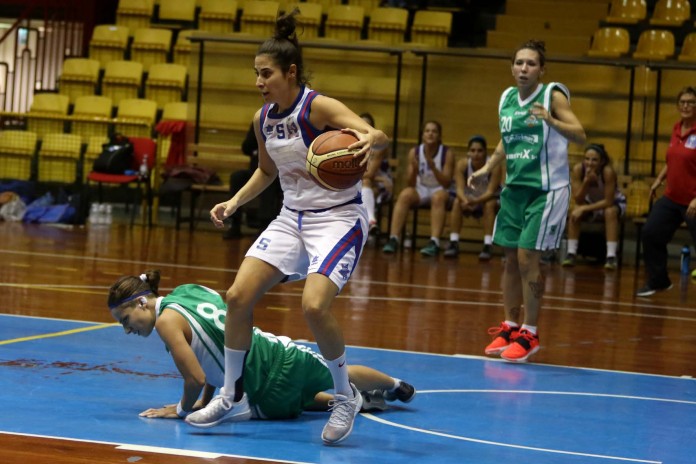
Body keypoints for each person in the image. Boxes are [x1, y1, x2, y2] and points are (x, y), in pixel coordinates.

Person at [185, 10, 390, 446]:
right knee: (237, 297)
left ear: (290, 72)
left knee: (314, 306)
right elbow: (265, 170)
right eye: (256, 74)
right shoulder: (262, 119)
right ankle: (231, 392)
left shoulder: (317, 106)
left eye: (266, 74)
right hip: (291, 218)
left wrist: (371, 138)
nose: (259, 82)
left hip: (337, 219)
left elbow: (375, 133)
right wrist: (234, 202)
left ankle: (344, 395)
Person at [107, 271, 416, 421]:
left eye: (125, 319)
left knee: (298, 401)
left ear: (141, 302)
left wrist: (182, 409)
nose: (126, 328)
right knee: (337, 372)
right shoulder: (189, 290)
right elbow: (217, 346)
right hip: (278, 353)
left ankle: (358, 402)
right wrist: (207, 399)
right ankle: (395, 384)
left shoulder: (165, 323)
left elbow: (196, 377)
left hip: (260, 391)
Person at [469, 39, 586, 362]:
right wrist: (487, 168)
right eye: (519, 63)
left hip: (546, 191)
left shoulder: (552, 95)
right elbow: (507, 141)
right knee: (508, 259)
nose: (524, 68)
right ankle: (510, 326)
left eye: (531, 63)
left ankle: (530, 332)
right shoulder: (506, 98)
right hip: (514, 188)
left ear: (542, 69)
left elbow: (580, 134)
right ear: (512, 67)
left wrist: (551, 120)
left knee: (526, 259)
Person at [636, 86, 696, 297]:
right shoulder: (676, 129)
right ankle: (659, 280)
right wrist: (659, 180)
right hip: (672, 197)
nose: (686, 105)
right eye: (682, 102)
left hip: (693, 200)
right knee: (651, 233)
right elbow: (673, 160)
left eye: (690, 102)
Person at [381, 120, 454, 256]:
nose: (430, 134)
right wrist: (414, 170)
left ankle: (434, 242)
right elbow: (410, 183)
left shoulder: (446, 153)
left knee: (438, 198)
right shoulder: (414, 152)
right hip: (421, 189)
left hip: (439, 189)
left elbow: (447, 183)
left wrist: (433, 167)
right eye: (427, 131)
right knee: (405, 195)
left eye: (434, 131)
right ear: (422, 135)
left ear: (439, 136)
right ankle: (393, 239)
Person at [561, 143, 626, 270]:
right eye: (587, 159)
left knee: (609, 212)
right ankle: (571, 254)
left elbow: (608, 201)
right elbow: (578, 198)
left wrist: (584, 208)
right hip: (591, 203)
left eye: (594, 160)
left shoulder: (607, 172)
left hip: (614, 203)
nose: (589, 163)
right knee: (575, 212)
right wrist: (586, 182)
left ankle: (611, 257)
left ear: (602, 161)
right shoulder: (578, 170)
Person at [442, 135, 502, 260]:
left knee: (489, 205)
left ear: (485, 152)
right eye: (473, 151)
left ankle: (487, 244)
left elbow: (491, 191)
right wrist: (466, 201)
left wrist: (476, 201)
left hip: (487, 198)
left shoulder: (494, 166)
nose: (476, 154)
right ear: (468, 152)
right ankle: (454, 242)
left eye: (480, 151)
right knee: (457, 203)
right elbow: (459, 188)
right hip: (469, 197)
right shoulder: (462, 164)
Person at [223, 123, 282, 239]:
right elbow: (246, 147)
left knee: (268, 183)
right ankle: (234, 224)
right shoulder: (260, 121)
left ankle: (264, 225)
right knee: (237, 177)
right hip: (254, 171)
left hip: (277, 174)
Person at [359, 112, 393, 242]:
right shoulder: (349, 142)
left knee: (365, 181)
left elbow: (370, 173)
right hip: (362, 180)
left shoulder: (378, 146)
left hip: (381, 182)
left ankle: (371, 220)